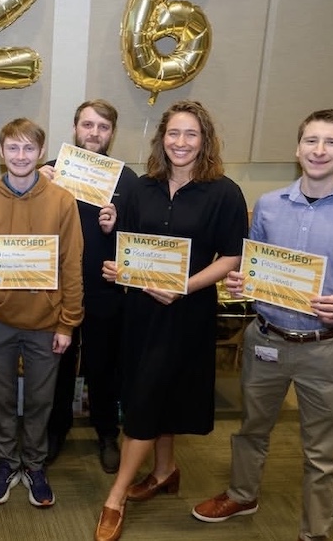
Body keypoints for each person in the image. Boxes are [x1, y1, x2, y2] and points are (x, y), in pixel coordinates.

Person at [191, 109, 333, 541]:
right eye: (311, 140)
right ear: (297, 148)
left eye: (332, 142)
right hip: (266, 339)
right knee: (251, 430)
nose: (320, 150)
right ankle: (242, 494)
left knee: (322, 454)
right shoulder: (270, 205)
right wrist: (242, 280)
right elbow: (257, 269)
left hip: (323, 348)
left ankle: (314, 532)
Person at [94, 100, 248, 541]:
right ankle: (165, 471)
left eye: (191, 134)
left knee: (143, 402)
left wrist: (184, 286)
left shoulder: (224, 192)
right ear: (162, 138)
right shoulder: (142, 188)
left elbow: (232, 257)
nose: (181, 143)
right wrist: (120, 270)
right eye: (174, 134)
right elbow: (131, 248)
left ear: (205, 141)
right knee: (155, 391)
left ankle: (116, 496)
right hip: (140, 311)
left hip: (187, 311)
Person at [0, 117, 83, 508]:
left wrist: (68, 323)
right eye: (12, 148)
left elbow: (72, 266)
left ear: (41, 152)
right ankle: (7, 462)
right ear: (1, 152)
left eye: (28, 148)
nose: (20, 155)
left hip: (46, 324)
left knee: (39, 400)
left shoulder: (62, 201)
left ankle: (34, 464)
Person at [38, 99, 138, 472]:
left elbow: (136, 244)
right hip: (57, 289)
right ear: (75, 128)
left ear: (112, 133)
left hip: (104, 288)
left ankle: (106, 432)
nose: (94, 133)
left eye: (103, 127)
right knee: (58, 364)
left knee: (103, 365)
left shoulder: (126, 180)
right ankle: (55, 429)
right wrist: (37, 191)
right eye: (87, 125)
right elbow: (26, 229)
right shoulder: (50, 172)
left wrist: (116, 228)